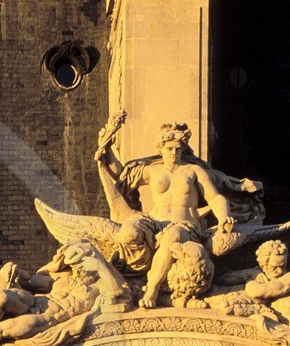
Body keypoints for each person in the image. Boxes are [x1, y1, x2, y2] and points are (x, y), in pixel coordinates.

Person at [96, 121, 255, 309]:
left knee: (172, 237)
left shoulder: (193, 171)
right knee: (128, 233)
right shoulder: (151, 171)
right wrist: (106, 153)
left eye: (178, 149)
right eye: (170, 148)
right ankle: (131, 273)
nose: (174, 153)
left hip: (184, 224)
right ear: (161, 148)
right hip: (154, 220)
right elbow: (122, 175)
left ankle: (152, 289)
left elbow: (215, 197)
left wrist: (224, 217)